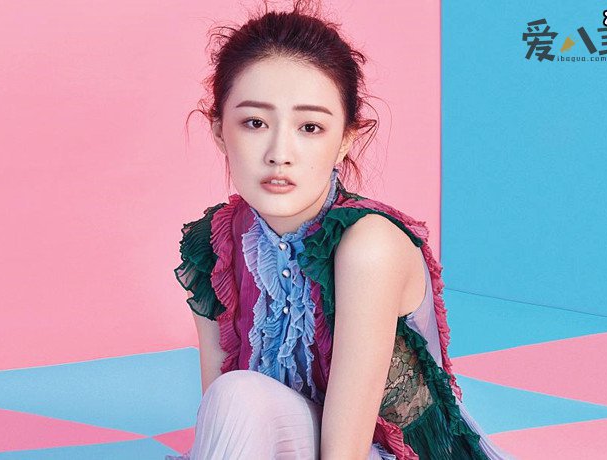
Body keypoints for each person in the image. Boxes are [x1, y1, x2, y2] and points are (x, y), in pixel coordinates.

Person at [168, 1, 515, 458]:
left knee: (238, 397)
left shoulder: (369, 246)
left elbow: (344, 452)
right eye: (254, 123)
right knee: (234, 397)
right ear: (219, 131)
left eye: (310, 127)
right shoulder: (214, 245)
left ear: (345, 140)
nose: (279, 153)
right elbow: (220, 422)